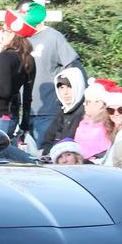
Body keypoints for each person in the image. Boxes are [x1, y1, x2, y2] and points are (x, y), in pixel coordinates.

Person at [26, 9, 83, 150]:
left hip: (49, 109)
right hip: (27, 111)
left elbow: (73, 65)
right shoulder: (23, 39)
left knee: (44, 156)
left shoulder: (53, 37)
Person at [41, 68, 86, 155]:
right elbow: (48, 139)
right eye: (61, 87)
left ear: (78, 86)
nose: (65, 93)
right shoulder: (63, 112)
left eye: (69, 87)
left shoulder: (83, 113)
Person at [74, 78, 116, 160]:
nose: (84, 104)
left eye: (88, 101)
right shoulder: (83, 123)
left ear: (99, 104)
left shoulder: (106, 126)